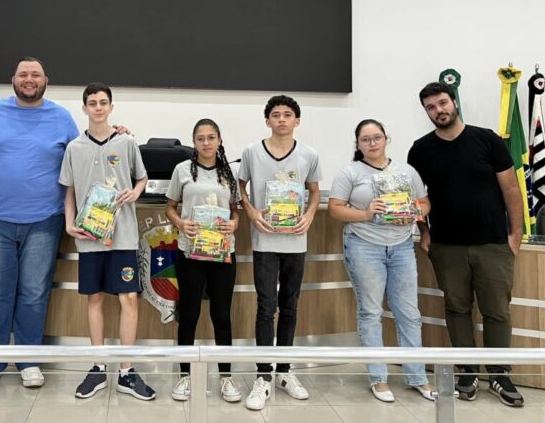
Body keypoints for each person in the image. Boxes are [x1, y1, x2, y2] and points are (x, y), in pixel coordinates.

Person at [0, 57, 79, 390]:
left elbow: (82, 153)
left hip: (44, 221)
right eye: (24, 74)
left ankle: (29, 361)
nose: (30, 79)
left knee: (33, 294)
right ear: (13, 79)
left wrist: (117, 134)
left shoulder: (61, 117)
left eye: (36, 75)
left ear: (46, 80)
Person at [407, 82, 525, 408]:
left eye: (442, 103)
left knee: (496, 311)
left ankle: (500, 375)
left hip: (492, 244)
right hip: (447, 246)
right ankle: (467, 372)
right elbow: (415, 198)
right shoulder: (420, 150)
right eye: (431, 107)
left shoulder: (487, 140)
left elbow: (511, 190)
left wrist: (515, 234)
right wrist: (425, 233)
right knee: (457, 309)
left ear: (454, 102)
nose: (438, 110)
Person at [328, 119, 436, 403]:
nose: (372, 143)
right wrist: (365, 213)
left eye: (377, 137)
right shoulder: (350, 172)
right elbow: (336, 209)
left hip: (401, 247)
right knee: (371, 312)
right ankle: (378, 378)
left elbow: (425, 202)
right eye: (366, 139)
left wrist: (416, 210)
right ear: (358, 144)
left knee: (409, 313)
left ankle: (418, 377)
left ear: (386, 139)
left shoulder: (406, 171)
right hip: (364, 246)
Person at [60, 83, 155, 401]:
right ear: (84, 109)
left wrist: (137, 191)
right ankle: (98, 367)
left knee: (129, 298)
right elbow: (69, 189)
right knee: (95, 299)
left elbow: (141, 177)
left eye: (103, 102)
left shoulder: (127, 141)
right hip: (90, 237)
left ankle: (127, 371)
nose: (98, 107)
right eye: (92, 103)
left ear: (111, 107)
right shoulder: (74, 147)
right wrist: (69, 223)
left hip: (124, 236)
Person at [238, 95, 321, 411]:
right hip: (265, 243)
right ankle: (263, 376)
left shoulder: (309, 154)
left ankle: (285, 371)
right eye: (276, 114)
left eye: (288, 115)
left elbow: (314, 191)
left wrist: (311, 215)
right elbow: (240, 187)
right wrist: (251, 211)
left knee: (290, 306)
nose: (282, 119)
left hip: (296, 242)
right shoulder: (251, 151)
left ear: (297, 120)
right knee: (265, 307)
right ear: (267, 120)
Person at [165, 119, 242, 404]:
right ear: (193, 142)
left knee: (222, 316)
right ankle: (185, 376)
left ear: (220, 140)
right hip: (190, 252)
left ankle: (226, 378)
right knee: (189, 314)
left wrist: (234, 224)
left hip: (223, 253)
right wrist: (181, 223)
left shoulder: (229, 173)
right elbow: (170, 207)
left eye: (211, 137)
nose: (206, 143)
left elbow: (235, 211)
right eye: (200, 138)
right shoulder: (182, 170)